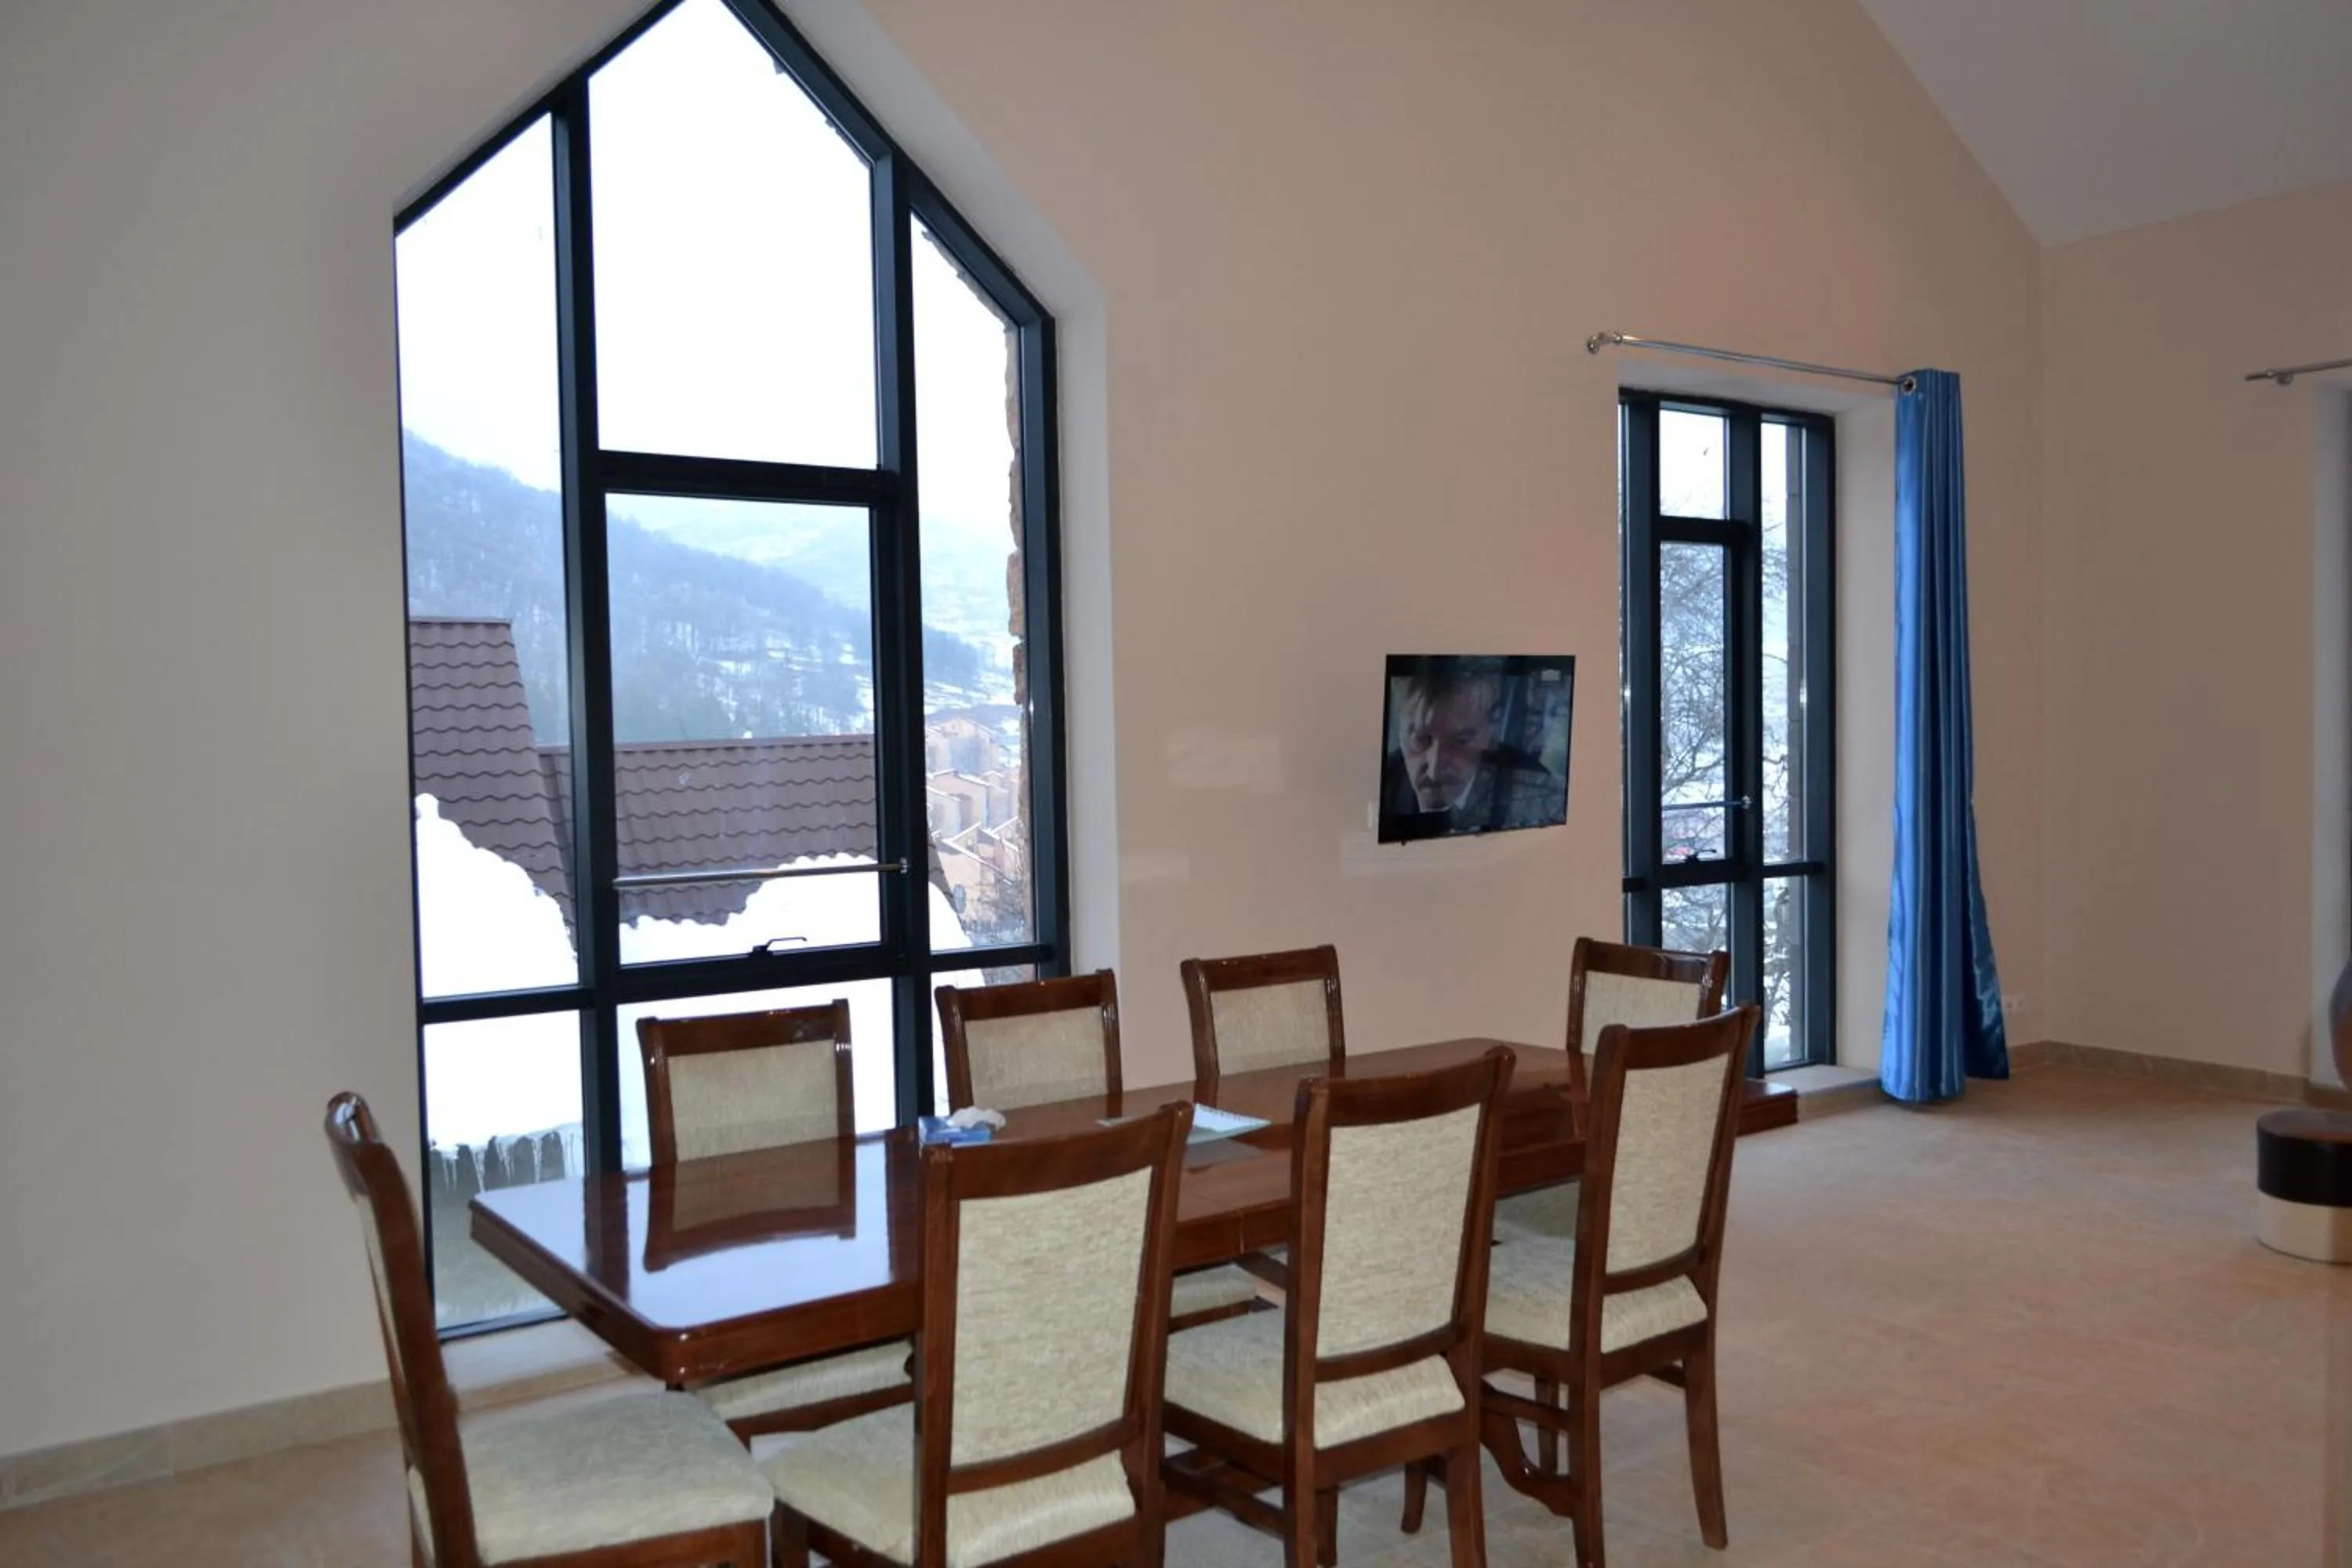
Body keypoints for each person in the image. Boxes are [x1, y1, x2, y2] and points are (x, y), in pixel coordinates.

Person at [1381, 668, 1560, 835]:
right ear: (1399, 732)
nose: (1434, 771)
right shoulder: (1383, 784)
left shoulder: (1542, 796)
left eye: (1460, 741)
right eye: (1420, 739)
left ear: (1488, 734)